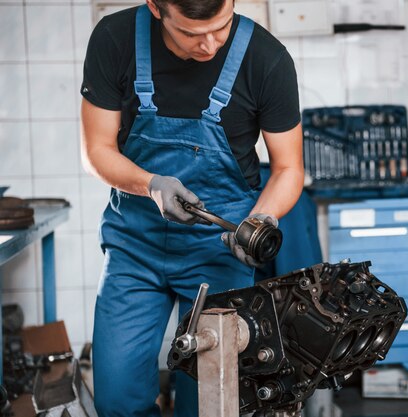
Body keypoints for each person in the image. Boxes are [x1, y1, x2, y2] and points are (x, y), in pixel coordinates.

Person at [79, 0, 303, 414]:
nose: (210, 45)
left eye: (221, 27)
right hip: (135, 245)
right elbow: (95, 150)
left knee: (211, 401)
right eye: (191, 33)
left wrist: (261, 218)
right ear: (156, 7)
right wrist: (150, 185)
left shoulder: (265, 58)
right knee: (116, 396)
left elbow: (289, 168)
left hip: (220, 248)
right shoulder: (115, 39)